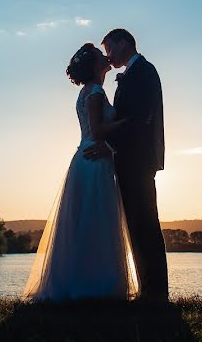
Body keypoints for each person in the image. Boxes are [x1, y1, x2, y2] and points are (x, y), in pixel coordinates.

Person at [22, 43, 139, 302]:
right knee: (96, 220)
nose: (106, 56)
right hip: (94, 159)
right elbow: (97, 130)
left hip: (85, 158)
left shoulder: (87, 91)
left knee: (86, 221)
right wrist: (128, 122)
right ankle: (96, 284)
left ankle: (79, 279)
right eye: (101, 56)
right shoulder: (95, 91)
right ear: (96, 66)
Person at [84, 29, 168, 301]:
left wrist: (109, 146)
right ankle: (149, 291)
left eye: (109, 47)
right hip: (128, 158)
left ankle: (156, 292)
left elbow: (141, 118)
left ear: (123, 43)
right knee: (136, 223)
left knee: (145, 222)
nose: (108, 55)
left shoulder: (144, 71)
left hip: (139, 158)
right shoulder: (132, 74)